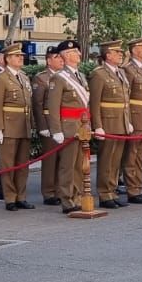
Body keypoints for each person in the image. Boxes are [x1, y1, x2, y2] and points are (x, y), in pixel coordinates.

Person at [42, 40, 89, 214]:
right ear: (67, 55)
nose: (79, 55)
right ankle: (67, 199)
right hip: (68, 127)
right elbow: (53, 106)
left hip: (81, 126)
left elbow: (84, 105)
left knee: (78, 166)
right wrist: (56, 130)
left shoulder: (80, 76)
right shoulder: (59, 77)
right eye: (75, 52)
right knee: (67, 166)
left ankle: (76, 196)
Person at [0, 42, 35, 211]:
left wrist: (33, 124)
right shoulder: (1, 78)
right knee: (8, 164)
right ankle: (10, 198)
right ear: (8, 59)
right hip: (9, 125)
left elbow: (29, 103)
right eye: (17, 56)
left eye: (21, 56)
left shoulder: (23, 76)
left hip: (24, 124)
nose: (21, 58)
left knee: (23, 165)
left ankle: (21, 196)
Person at [88, 40, 132, 209]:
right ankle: (104, 194)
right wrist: (97, 125)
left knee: (116, 161)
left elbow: (125, 101)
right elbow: (95, 102)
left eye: (120, 52)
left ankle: (112, 191)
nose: (120, 55)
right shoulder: (99, 74)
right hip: (107, 123)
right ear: (108, 55)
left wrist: (127, 121)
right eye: (117, 52)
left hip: (120, 122)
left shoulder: (120, 72)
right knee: (107, 160)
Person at [121, 38, 142, 205]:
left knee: (140, 155)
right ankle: (132, 190)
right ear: (133, 50)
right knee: (131, 155)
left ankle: (138, 186)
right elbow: (126, 95)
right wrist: (128, 119)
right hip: (135, 115)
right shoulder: (128, 69)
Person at [32, 49, 64, 205]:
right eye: (56, 57)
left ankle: (60, 190)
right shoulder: (41, 78)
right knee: (50, 160)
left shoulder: (64, 76)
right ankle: (49, 192)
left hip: (62, 123)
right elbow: (37, 104)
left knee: (62, 159)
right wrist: (42, 126)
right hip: (48, 122)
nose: (60, 60)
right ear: (48, 61)